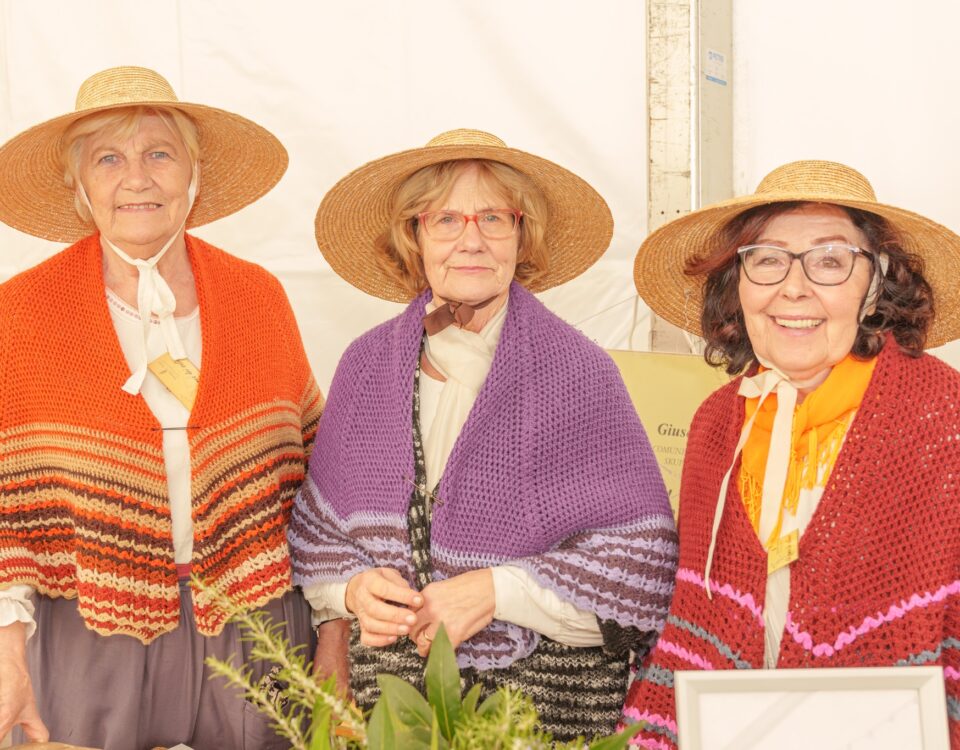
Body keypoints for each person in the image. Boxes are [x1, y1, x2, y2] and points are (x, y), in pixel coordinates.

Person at [288, 129, 678, 741]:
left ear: (522, 237)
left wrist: (497, 591)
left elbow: (640, 566)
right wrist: (355, 592)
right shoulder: (365, 366)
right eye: (445, 219)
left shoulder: (581, 373)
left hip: (541, 707)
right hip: (390, 707)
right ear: (414, 235)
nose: (471, 240)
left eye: (494, 217)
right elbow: (321, 536)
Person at [0, 66, 333, 750]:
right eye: (109, 158)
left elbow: (320, 481)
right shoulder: (22, 313)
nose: (138, 178)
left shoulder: (256, 296)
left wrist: (334, 636)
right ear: (80, 187)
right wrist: (6, 652)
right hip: (89, 631)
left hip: (257, 624)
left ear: (194, 176)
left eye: (160, 153)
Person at [621, 160, 960, 748]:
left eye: (830, 261)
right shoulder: (718, 424)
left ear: (876, 285)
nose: (793, 287)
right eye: (767, 259)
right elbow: (695, 621)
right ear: (738, 282)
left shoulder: (943, 416)